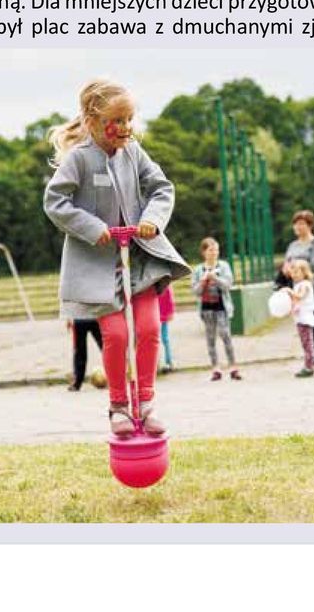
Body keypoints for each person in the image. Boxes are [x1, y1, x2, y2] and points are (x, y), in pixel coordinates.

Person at [43, 79, 189, 438]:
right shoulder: (79, 159)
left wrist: (152, 220)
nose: (125, 128)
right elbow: (55, 202)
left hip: (139, 260)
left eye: (129, 119)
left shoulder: (133, 152)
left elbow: (161, 188)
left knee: (151, 328)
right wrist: (93, 227)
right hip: (99, 266)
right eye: (117, 120)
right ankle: (119, 405)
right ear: (93, 121)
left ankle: (147, 400)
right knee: (117, 334)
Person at [281, 209, 314, 372]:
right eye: (296, 224)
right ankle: (312, 360)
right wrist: (287, 269)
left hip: (313, 288)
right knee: (304, 325)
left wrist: (297, 266)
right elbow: (286, 262)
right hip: (297, 290)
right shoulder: (292, 245)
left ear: (309, 225)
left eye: (301, 223)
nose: (298, 227)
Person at [190, 237, 242, 380]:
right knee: (210, 339)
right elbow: (195, 291)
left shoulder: (224, 266)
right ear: (204, 252)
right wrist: (203, 281)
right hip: (206, 308)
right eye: (211, 250)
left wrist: (215, 278)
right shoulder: (198, 270)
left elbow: (228, 285)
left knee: (226, 335)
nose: (214, 253)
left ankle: (233, 367)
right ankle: (215, 368)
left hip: (222, 307)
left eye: (216, 250)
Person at [287, 258, 314, 378]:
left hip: (305, 319)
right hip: (300, 318)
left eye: (296, 272)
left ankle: (309, 367)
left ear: (304, 272)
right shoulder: (298, 284)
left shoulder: (305, 285)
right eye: (292, 272)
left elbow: (299, 296)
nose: (293, 275)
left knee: (308, 343)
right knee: (305, 343)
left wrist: (289, 291)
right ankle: (308, 365)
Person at [68, 319, 103, 391]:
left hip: (95, 315)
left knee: (105, 346)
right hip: (81, 316)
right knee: (79, 350)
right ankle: (77, 381)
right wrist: (69, 317)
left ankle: (116, 376)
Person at [157, 283, 176, 373]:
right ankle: (160, 363)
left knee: (165, 339)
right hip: (155, 315)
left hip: (162, 315)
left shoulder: (166, 284)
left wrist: (170, 312)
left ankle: (168, 361)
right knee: (161, 340)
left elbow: (170, 298)